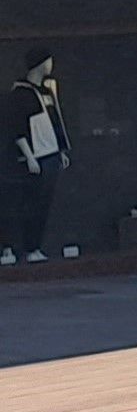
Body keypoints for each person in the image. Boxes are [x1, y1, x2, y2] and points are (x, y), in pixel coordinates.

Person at [2, 47, 65, 263]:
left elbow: (55, 122)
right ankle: (12, 247)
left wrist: (60, 149)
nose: (51, 65)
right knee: (23, 204)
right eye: (48, 61)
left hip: (50, 154)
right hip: (32, 156)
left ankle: (34, 246)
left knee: (42, 204)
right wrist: (29, 155)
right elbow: (17, 127)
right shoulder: (20, 94)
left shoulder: (46, 92)